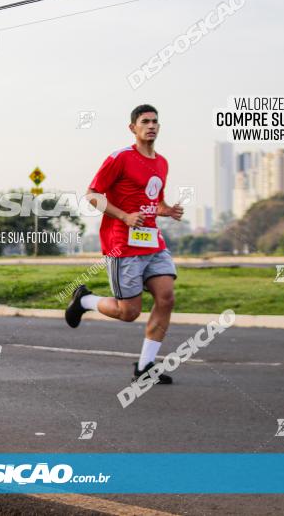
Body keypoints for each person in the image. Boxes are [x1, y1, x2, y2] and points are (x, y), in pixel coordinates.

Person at [65, 105, 183, 384]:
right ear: (133, 128)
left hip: (153, 243)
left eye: (155, 121)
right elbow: (92, 195)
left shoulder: (162, 162)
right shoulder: (119, 158)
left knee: (166, 297)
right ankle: (84, 300)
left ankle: (145, 368)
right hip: (123, 245)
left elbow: (154, 200)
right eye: (145, 121)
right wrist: (124, 216)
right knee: (128, 312)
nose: (151, 126)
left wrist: (167, 210)